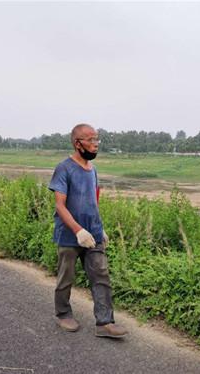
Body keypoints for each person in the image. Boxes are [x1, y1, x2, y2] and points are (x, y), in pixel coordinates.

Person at [48, 123, 128, 338]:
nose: (95, 145)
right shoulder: (64, 168)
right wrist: (78, 231)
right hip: (69, 236)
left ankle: (105, 323)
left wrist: (99, 229)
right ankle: (63, 313)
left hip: (93, 234)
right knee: (66, 277)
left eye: (97, 140)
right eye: (90, 140)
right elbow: (60, 206)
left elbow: (94, 200)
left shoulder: (93, 170)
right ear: (77, 143)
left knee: (101, 276)